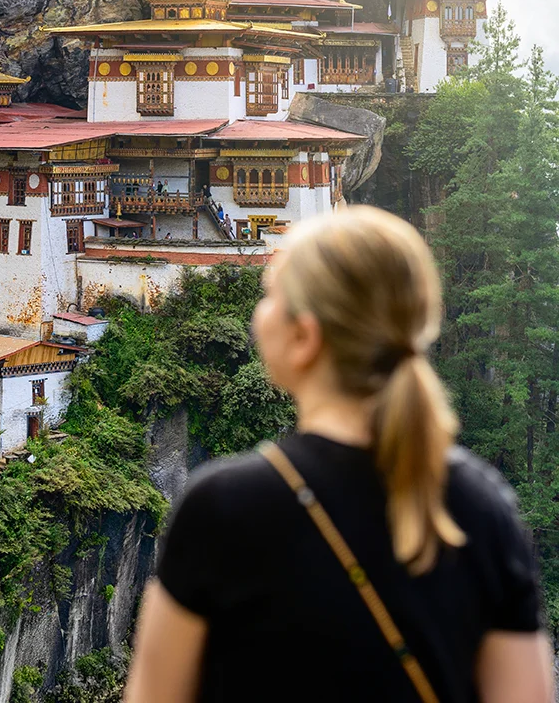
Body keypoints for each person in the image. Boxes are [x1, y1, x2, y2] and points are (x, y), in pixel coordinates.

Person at [125, 207, 552, 703]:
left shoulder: (223, 509)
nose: (258, 311)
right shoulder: (483, 508)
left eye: (270, 296)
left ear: (305, 337)